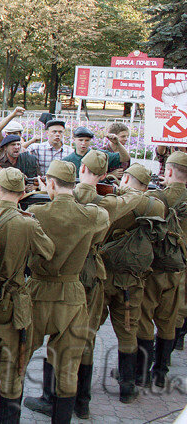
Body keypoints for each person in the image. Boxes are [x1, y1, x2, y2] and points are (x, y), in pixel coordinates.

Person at [29, 150, 141, 419]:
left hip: (46, 286)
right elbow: (134, 197)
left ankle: (44, 397)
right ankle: (81, 402)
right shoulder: (99, 208)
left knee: (27, 345)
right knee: (79, 343)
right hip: (85, 282)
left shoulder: (40, 209)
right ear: (103, 175)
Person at [23, 160, 109, 424]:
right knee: (69, 364)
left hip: (37, 290)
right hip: (72, 294)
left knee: (18, 354)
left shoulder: (37, 211)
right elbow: (99, 233)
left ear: (50, 183)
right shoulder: (93, 215)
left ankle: (8, 413)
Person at [0, 167, 55, 423]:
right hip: (13, 304)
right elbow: (48, 252)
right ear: (22, 194)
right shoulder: (27, 222)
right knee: (12, 370)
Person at [98, 163, 165, 403]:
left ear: (125, 179)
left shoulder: (117, 203)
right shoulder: (156, 204)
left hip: (105, 275)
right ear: (146, 185)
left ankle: (79, 394)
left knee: (89, 329)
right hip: (133, 280)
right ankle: (127, 388)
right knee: (128, 331)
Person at [137, 151, 187, 388]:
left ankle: (141, 373)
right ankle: (161, 372)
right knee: (169, 320)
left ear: (168, 171)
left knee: (145, 317)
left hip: (155, 267)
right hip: (180, 270)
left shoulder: (158, 198)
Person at [62, 127, 129, 177]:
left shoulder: (99, 155)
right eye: (80, 140)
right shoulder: (67, 161)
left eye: (87, 140)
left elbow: (125, 158)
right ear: (74, 140)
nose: (83, 143)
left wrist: (117, 143)